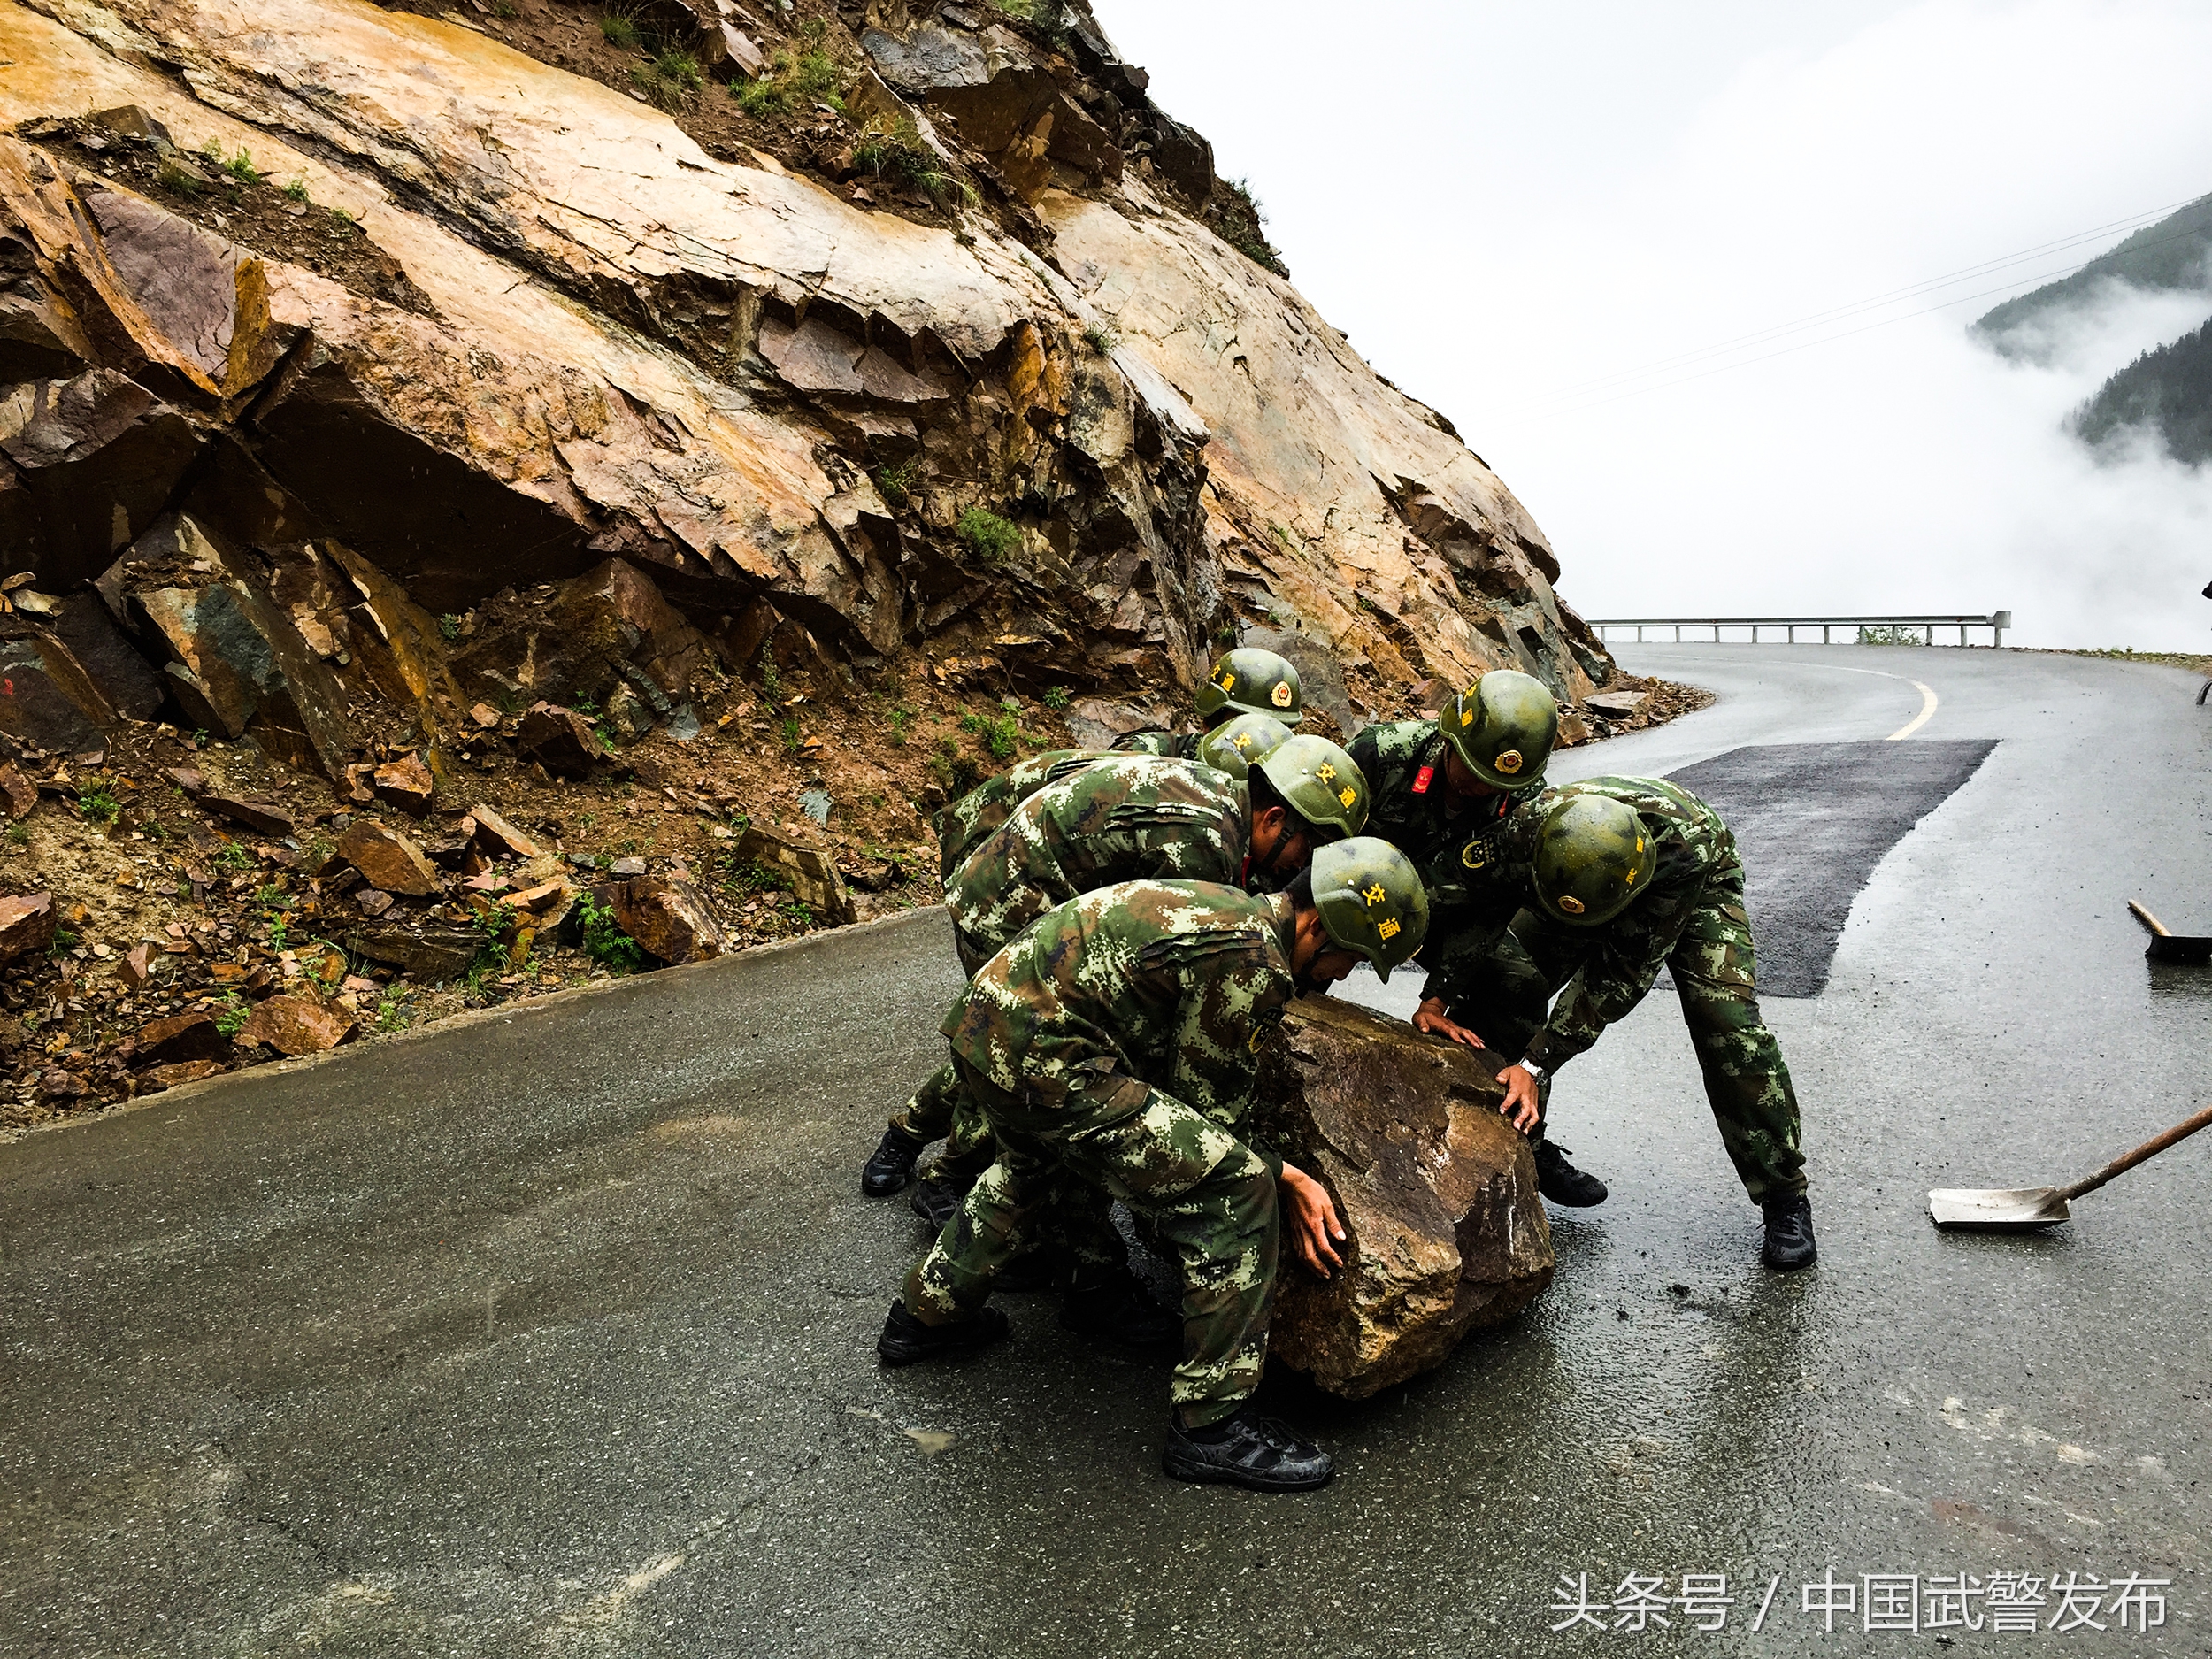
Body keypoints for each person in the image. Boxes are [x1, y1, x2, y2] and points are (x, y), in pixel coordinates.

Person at [877, 839, 1430, 1492]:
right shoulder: (1254, 958)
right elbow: (1211, 1110)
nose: (1340, 975)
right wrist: (1292, 1177)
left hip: (988, 1034)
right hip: (1050, 1062)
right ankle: (1213, 1425)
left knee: (1033, 1167)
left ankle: (923, 1317)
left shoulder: (1233, 908)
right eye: (1351, 958)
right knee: (1239, 1185)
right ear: (1317, 925)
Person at [895, 733, 1367, 1229]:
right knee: (1017, 1047)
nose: (1302, 868)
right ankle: (951, 1179)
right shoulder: (1206, 845)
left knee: (1020, 1044)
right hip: (1010, 906)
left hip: (1020, 885)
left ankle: (912, 1136)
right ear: (1274, 819)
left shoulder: (1216, 794)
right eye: (1306, 848)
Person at [1418, 778, 1816, 1272]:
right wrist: (1437, 995)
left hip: (1686, 883)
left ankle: (1784, 1196)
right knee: (1509, 983)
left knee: (1729, 1029)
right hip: (1573, 877)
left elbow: (1614, 979)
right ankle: (1526, 1145)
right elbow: (1474, 901)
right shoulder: (1526, 830)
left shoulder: (1681, 857)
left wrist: (1534, 1062)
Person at [1347, 669, 1603, 1204]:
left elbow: (1494, 899)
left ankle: (1523, 1144)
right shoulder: (1380, 755)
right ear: (1450, 737)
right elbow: (1310, 850)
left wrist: (1438, 999)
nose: (1483, 788)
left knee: (1517, 985)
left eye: (1498, 782)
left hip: (1443, 908)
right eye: (1475, 770)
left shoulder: (1520, 792)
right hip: (1349, 898)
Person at [1111, 646, 1303, 758]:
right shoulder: (1147, 754)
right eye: (1247, 725)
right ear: (1209, 722)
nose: (1265, 739)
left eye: (1280, 730)